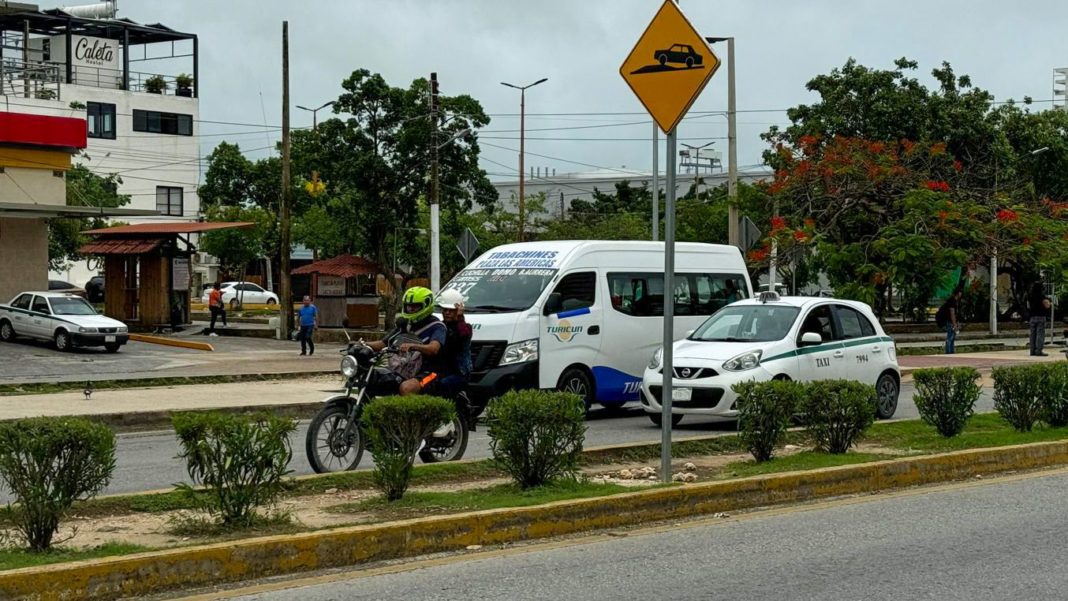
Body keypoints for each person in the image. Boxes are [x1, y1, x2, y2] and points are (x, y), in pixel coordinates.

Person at [368, 286, 447, 396]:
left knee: (406, 388)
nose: (411, 309)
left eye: (415, 306)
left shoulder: (437, 326)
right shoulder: (404, 324)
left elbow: (434, 349)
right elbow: (383, 343)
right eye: (408, 306)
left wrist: (413, 346)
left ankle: (412, 413)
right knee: (372, 378)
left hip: (430, 372)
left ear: (426, 305)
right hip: (404, 369)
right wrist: (361, 345)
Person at [435, 288, 473, 397]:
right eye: (445, 310)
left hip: (459, 373)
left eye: (450, 310)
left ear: (457, 311)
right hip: (441, 370)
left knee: (444, 384)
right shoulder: (440, 326)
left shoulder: (465, 327)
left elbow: (464, 335)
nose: (447, 313)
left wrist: (460, 317)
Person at [1029, 281, 1051, 357]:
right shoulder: (1041, 296)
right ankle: (1038, 350)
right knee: (1040, 334)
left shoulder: (1030, 295)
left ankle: (1032, 350)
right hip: (1041, 316)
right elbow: (1046, 305)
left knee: (1032, 334)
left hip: (1032, 316)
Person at [935, 289, 962, 354]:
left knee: (952, 337)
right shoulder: (952, 301)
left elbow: (956, 314)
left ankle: (951, 351)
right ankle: (948, 352)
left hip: (950, 321)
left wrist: (957, 323)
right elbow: (952, 314)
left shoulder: (955, 301)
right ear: (958, 293)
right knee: (950, 337)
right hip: (948, 321)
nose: (961, 294)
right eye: (960, 293)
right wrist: (954, 324)